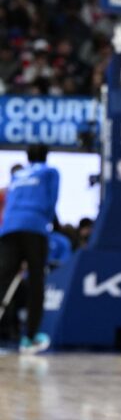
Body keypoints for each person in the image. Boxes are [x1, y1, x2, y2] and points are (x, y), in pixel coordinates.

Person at [0, 145, 59, 353]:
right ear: (46, 156)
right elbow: (51, 202)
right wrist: (47, 225)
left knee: (3, 279)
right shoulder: (49, 172)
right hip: (34, 227)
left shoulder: (17, 176)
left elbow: (11, 203)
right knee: (36, 281)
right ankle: (31, 337)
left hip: (8, 228)